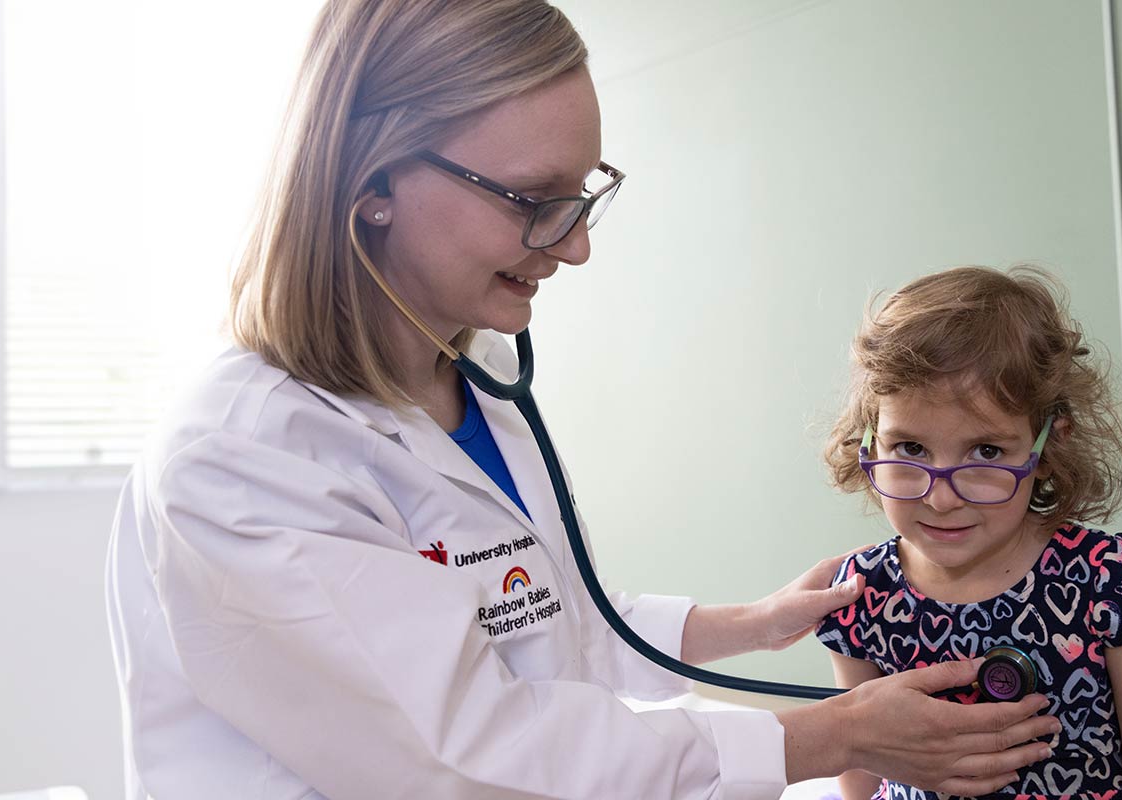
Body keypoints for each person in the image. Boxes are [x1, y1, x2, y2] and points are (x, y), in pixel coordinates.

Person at [105, 2, 1058, 797]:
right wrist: (834, 735)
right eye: (531, 199)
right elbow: (469, 758)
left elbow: (545, 625)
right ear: (376, 180)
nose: (574, 247)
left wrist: (748, 623)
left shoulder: (474, 379)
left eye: (584, 196)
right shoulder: (242, 460)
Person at [815, 266, 1122, 799]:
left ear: (1048, 448)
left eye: (986, 451)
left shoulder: (1109, 578)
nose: (941, 497)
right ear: (868, 440)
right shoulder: (858, 594)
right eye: (910, 449)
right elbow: (861, 783)